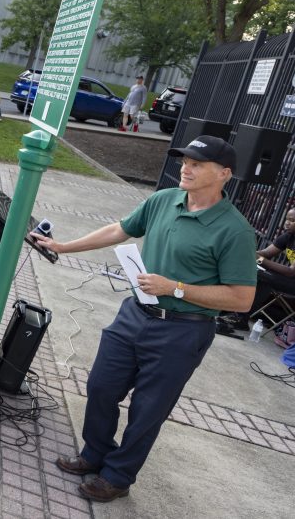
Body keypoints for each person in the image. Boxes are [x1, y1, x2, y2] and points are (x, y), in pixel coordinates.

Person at [33, 135, 256, 502]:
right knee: (101, 387)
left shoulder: (235, 230)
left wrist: (175, 288)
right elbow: (118, 230)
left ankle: (117, 477)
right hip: (135, 314)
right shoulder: (164, 200)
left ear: (224, 174)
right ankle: (95, 454)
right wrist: (62, 246)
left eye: (197, 164)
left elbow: (242, 298)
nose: (186, 168)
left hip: (183, 331)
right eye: (185, 161)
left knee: (147, 410)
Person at [249, 207, 295, 324]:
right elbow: (266, 253)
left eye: (292, 220)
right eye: (287, 219)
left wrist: (259, 259)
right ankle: (236, 309)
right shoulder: (289, 236)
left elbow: (291, 272)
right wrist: (250, 253)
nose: (287, 223)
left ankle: (241, 316)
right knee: (256, 270)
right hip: (289, 279)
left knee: (263, 275)